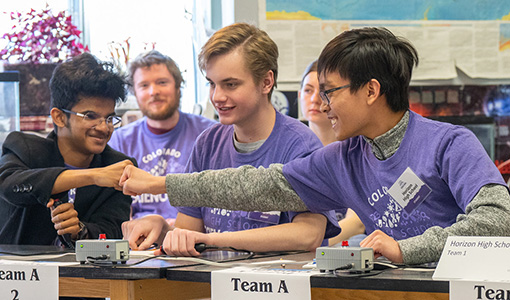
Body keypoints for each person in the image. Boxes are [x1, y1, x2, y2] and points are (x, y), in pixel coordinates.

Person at [119, 27, 510, 265]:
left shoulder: (450, 144)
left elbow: (498, 221)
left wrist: (407, 249)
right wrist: (159, 185)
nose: (319, 105)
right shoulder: (341, 159)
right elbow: (256, 185)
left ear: (371, 90)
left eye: (330, 92)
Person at [121, 22, 340, 256]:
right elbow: (189, 233)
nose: (217, 97)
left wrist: (212, 240)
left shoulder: (300, 144)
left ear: (266, 82)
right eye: (212, 84)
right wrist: (164, 230)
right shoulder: (208, 143)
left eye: (231, 84)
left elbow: (308, 235)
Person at [0, 53, 135, 246]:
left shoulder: (116, 167)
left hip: (85, 275)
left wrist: (79, 231)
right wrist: (93, 176)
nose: (104, 128)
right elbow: (8, 186)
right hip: (19, 272)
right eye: (90, 116)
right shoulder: (25, 149)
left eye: (109, 118)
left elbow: (112, 229)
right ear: (59, 117)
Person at [108, 50, 215, 224]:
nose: (153, 91)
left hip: (191, 236)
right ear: (134, 92)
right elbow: (114, 208)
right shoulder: (119, 141)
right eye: (144, 85)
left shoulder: (209, 135)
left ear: (178, 86)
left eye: (162, 82)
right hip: (138, 242)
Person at [298, 60, 366, 246]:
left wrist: (311, 244)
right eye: (308, 90)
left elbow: (356, 224)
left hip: (338, 243)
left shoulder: (356, 150)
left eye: (324, 92)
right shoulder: (292, 147)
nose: (314, 99)